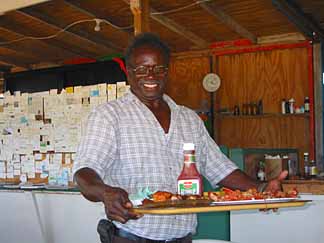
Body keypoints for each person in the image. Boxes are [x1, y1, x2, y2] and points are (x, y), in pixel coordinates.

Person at [73, 32, 287, 243]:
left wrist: (260, 189)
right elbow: (84, 173)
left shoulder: (189, 118)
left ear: (167, 73)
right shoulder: (109, 116)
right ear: (129, 73)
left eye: (158, 69)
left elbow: (219, 167)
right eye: (141, 69)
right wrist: (105, 192)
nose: (151, 75)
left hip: (182, 238)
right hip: (130, 237)